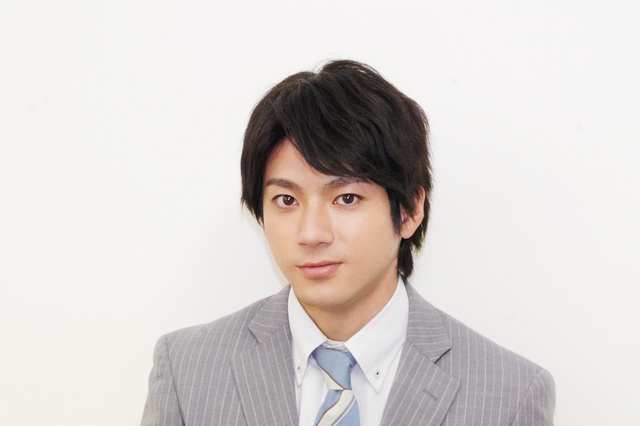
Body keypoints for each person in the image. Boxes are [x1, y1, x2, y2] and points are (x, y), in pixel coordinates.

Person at [141, 60, 555, 426]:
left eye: (347, 198)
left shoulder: (510, 395)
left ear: (410, 210)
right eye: (286, 200)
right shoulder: (187, 371)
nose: (311, 234)